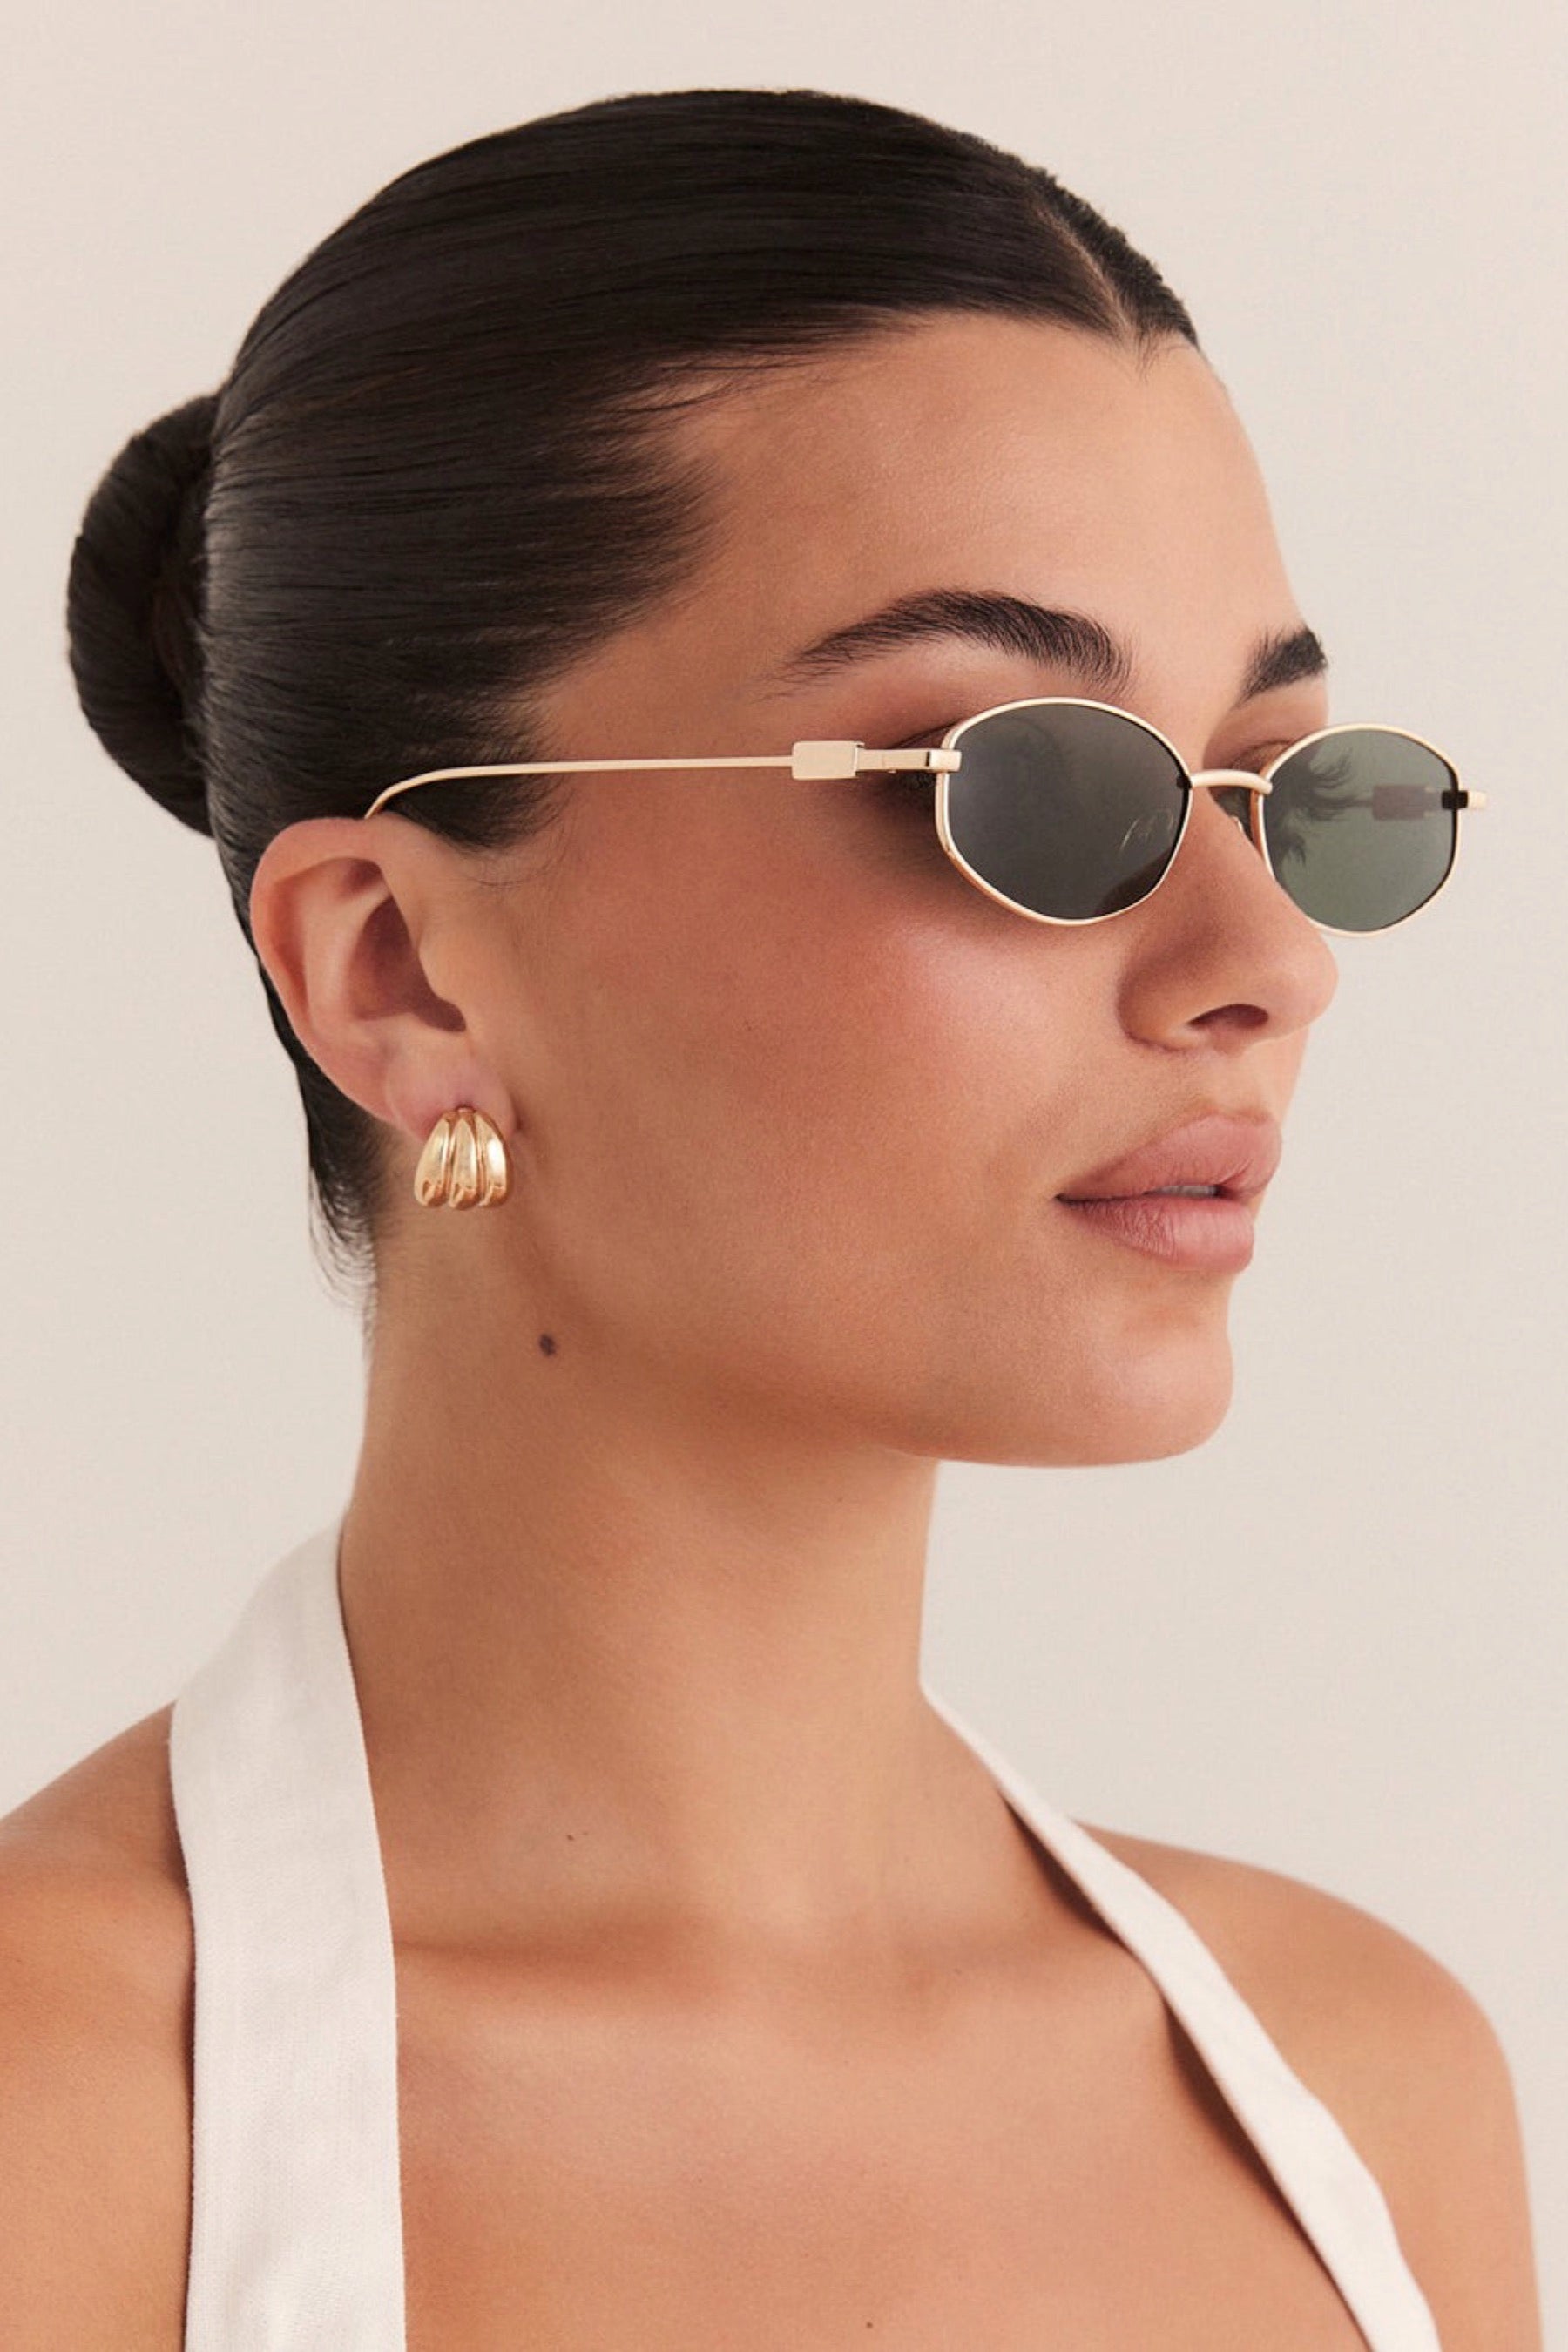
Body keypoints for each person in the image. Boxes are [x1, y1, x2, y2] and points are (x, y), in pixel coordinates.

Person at [3, 85, 1540, 2347]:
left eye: (1284, 788)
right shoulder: (54, 2120)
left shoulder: (1367, 2093)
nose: (1267, 960)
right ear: (401, 970)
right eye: (1028, 785)